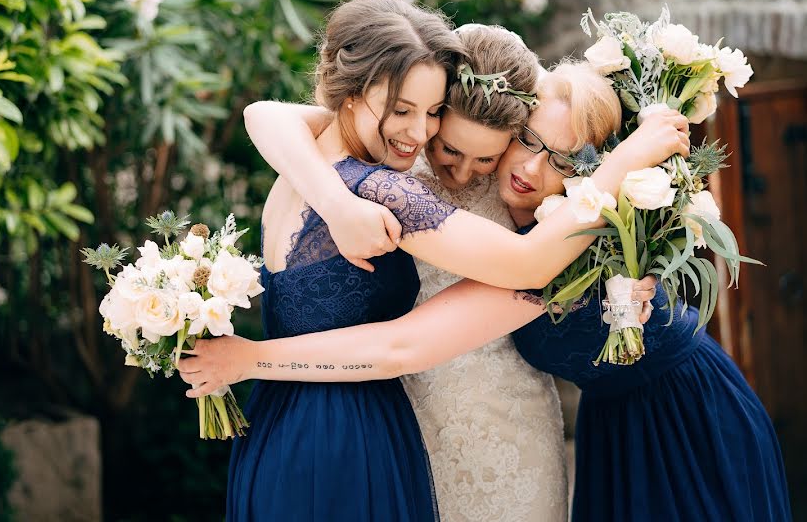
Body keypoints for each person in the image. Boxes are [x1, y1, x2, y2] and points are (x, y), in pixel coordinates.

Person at [183, 58, 791, 522]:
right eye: (528, 141)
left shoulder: (570, 247)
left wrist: (251, 358)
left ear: (588, 170)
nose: (531, 168)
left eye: (562, 158)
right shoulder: (436, 173)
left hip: (687, 416)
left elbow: (415, 337)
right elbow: (267, 115)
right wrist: (337, 203)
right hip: (607, 428)